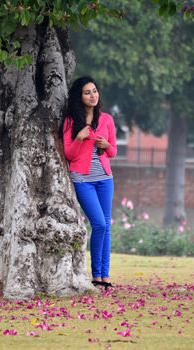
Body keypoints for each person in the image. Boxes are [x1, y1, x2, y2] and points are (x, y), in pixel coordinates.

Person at [60, 76, 117, 289]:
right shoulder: (70, 121)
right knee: (99, 224)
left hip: (105, 179)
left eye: (94, 91)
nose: (92, 95)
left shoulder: (107, 120)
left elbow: (112, 151)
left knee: (106, 227)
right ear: (80, 96)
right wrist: (79, 138)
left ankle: (104, 277)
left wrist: (105, 144)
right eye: (87, 92)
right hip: (83, 180)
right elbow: (69, 154)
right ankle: (95, 275)